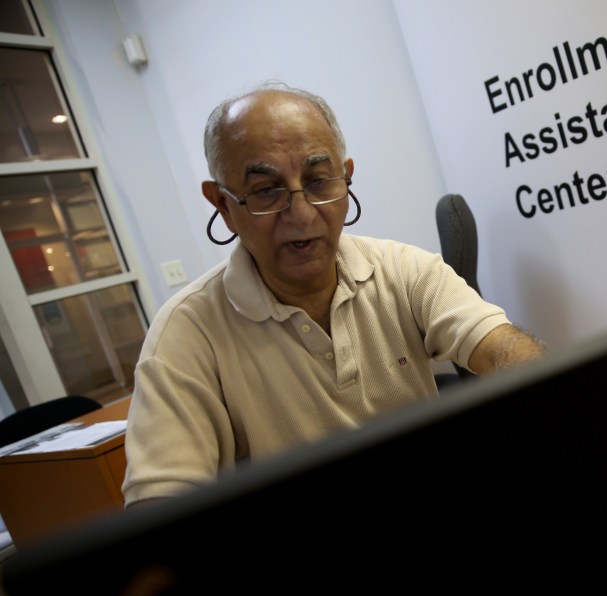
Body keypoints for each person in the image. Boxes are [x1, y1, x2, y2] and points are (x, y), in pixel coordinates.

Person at [122, 83, 546, 507]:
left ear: (347, 178)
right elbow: (157, 509)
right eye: (267, 190)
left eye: (319, 181)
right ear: (223, 206)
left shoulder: (405, 269)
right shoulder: (184, 337)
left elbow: (501, 347)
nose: (302, 214)